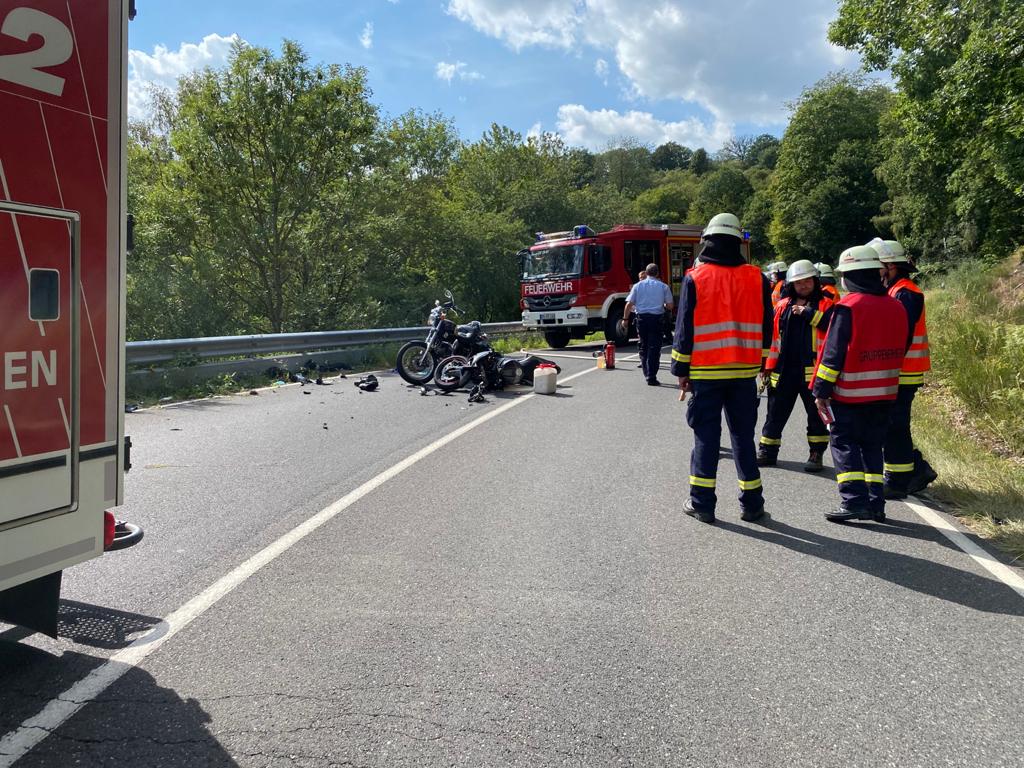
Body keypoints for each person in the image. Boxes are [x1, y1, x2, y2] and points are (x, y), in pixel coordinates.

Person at [672, 212, 773, 524]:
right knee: (743, 438)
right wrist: (762, 361)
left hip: (706, 372)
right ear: (738, 242)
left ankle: (702, 504)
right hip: (744, 372)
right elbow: (767, 325)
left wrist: (681, 370)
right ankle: (752, 504)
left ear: (708, 241)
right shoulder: (758, 278)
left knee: (706, 439)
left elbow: (684, 329)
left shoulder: (695, 277)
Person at [811, 245, 908, 522]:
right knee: (872, 447)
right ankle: (876, 503)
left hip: (850, 394)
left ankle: (854, 501)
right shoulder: (896, 305)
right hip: (886, 392)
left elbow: (833, 355)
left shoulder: (848, 307)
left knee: (844, 444)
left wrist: (821, 390)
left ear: (851, 276)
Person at [868, 238, 938, 498]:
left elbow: (899, 336)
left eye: (877, 267)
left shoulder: (905, 293)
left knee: (894, 426)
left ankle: (899, 481)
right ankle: (915, 469)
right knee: (890, 425)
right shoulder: (894, 290)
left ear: (890, 266)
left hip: (902, 372)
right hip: (895, 371)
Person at [758, 260, 834, 472]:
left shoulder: (826, 304)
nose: (803, 285)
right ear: (791, 284)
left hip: (813, 372)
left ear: (815, 281)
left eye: (807, 281)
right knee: (774, 414)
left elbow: (833, 328)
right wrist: (767, 367)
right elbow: (773, 338)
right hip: (783, 371)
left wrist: (808, 313)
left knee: (816, 417)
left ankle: (816, 454)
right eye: (799, 282)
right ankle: (767, 451)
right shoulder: (782, 306)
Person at [623, 263, 673, 385]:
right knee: (654, 348)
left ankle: (646, 373)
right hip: (656, 320)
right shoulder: (664, 287)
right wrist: (663, 304)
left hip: (641, 319)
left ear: (646, 273)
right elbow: (670, 306)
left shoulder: (637, 286)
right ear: (657, 273)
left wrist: (625, 319)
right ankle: (651, 376)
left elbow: (629, 304)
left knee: (644, 347)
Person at [633, 269, 647, 368]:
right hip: (640, 317)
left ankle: (651, 360)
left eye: (643, 277)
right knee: (641, 341)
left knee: (650, 341)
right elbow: (631, 302)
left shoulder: (652, 288)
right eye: (640, 278)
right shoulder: (637, 287)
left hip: (651, 317)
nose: (641, 279)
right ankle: (642, 360)